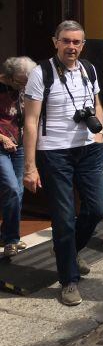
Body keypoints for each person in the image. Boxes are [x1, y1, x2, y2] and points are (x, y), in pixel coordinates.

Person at [23, 21, 103, 307]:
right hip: (55, 153)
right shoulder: (41, 73)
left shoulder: (89, 69)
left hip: (88, 150)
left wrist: (99, 133)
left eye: (77, 42)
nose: (71, 46)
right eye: (66, 41)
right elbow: (31, 121)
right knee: (63, 217)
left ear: (83, 45)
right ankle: (69, 281)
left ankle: (68, 252)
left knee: (97, 207)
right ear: (55, 42)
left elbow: (96, 103)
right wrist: (30, 166)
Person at [0, 56, 36, 257]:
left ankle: (7, 234)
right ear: (9, 75)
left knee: (18, 192)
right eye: (21, 82)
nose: (24, 86)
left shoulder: (25, 88)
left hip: (19, 145)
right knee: (12, 188)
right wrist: (2, 138)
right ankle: (12, 239)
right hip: (1, 145)